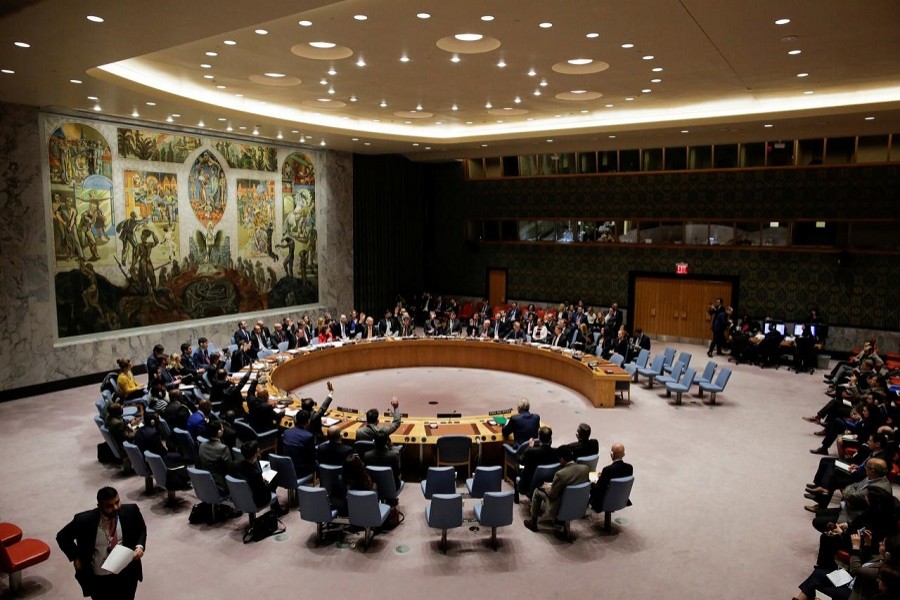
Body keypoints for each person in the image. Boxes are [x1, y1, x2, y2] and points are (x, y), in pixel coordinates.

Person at [56, 486, 147, 600]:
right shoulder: (84, 521)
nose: (115, 507)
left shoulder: (131, 511)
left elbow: (141, 529)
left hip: (126, 574)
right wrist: (75, 556)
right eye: (109, 506)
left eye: (117, 502)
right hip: (99, 578)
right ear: (99, 506)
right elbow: (62, 537)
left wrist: (140, 546)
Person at [524, 447, 590, 532]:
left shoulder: (560, 474)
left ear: (562, 459)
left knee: (537, 491)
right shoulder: (585, 468)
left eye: (559, 459)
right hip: (578, 505)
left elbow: (552, 495)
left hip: (559, 507)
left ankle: (533, 523)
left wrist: (546, 488)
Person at [516, 426, 558, 501]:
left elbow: (520, 460)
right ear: (550, 439)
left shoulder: (531, 452)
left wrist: (529, 447)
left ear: (539, 438)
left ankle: (517, 496)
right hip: (548, 481)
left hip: (530, 484)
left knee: (516, 467)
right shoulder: (557, 452)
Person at [589, 443, 633, 512]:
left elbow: (598, 489)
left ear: (612, 454)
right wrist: (603, 476)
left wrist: (592, 483)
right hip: (621, 498)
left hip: (605, 500)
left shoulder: (607, 470)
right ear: (623, 455)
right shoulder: (629, 468)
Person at [197, 421, 233, 493]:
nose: (223, 429)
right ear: (219, 432)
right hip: (220, 487)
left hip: (204, 483)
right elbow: (229, 469)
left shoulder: (202, 445)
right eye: (222, 428)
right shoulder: (223, 448)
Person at [282, 410, 316, 478]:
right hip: (301, 470)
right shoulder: (308, 436)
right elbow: (312, 456)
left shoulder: (286, 432)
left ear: (295, 419)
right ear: (308, 421)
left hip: (286, 467)